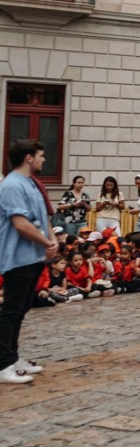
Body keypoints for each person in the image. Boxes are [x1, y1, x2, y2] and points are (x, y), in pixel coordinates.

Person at [0, 140, 58, 384]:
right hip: (18, 256)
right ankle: (3, 365)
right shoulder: (12, 185)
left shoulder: (33, 184)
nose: (44, 159)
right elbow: (20, 223)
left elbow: (43, 217)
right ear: (28, 158)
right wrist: (47, 243)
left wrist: (52, 239)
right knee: (11, 311)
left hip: (34, 256)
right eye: (41, 155)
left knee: (22, 308)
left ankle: (12, 358)